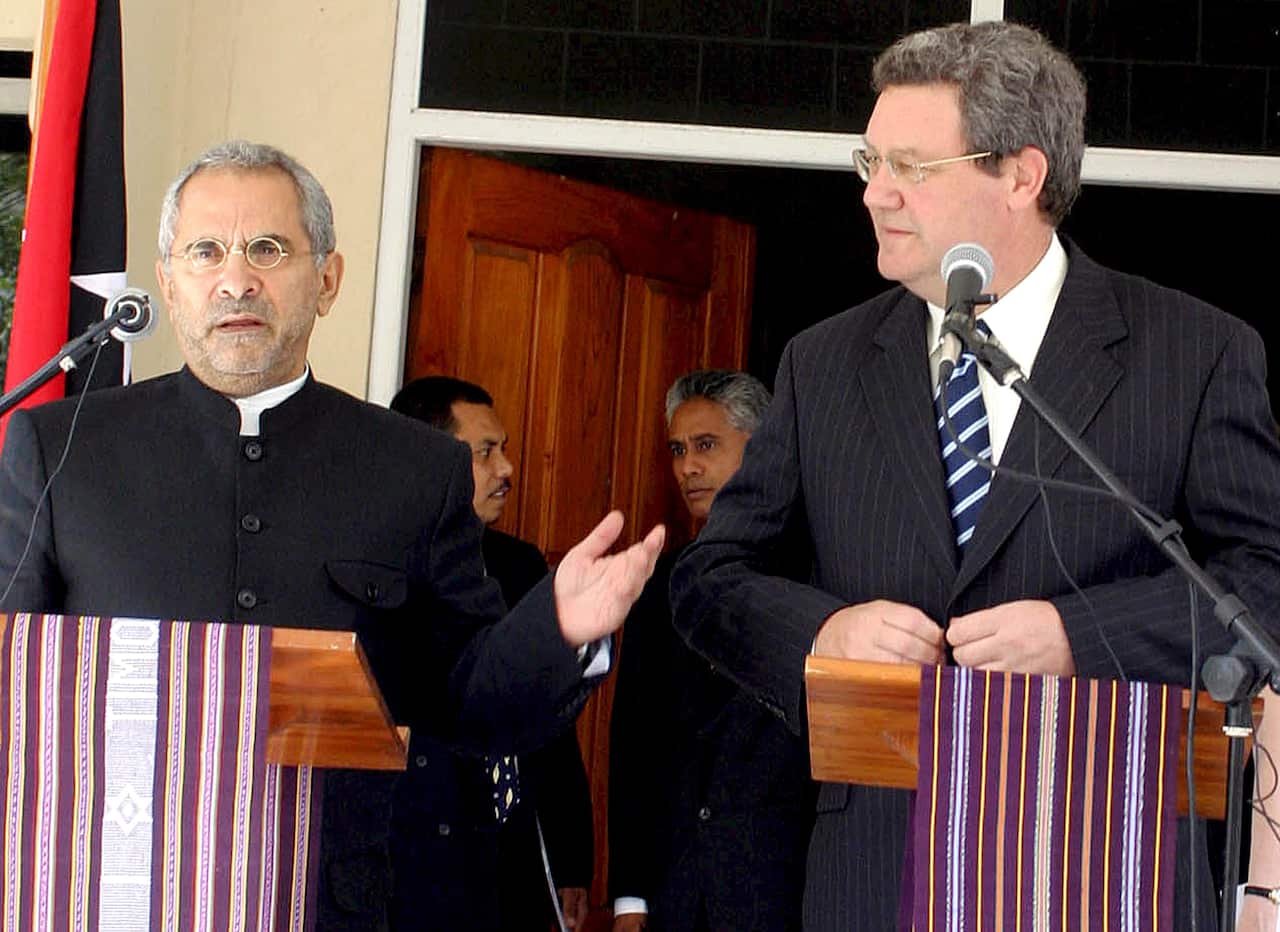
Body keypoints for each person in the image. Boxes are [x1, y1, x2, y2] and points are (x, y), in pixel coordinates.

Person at [669, 21, 1280, 931]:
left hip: (1109, 857)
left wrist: (1081, 634)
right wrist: (826, 629)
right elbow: (709, 582)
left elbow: (1262, 582)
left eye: (911, 167)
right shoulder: (825, 362)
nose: (876, 195)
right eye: (869, 162)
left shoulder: (1195, 353)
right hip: (879, 866)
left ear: (1021, 176)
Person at [0, 140, 663, 931]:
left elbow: (473, 706)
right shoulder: (59, 449)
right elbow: (17, 685)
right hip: (109, 897)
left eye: (268, 249)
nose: (235, 277)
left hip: (335, 905)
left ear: (328, 280)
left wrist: (556, 629)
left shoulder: (417, 469)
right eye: (206, 250)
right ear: (171, 283)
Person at [609, 370, 816, 931]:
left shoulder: (817, 574)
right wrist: (630, 897)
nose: (687, 467)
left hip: (783, 887)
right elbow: (634, 743)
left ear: (762, 446)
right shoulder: (665, 582)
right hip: (677, 889)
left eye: (706, 445)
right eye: (677, 449)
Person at [388, 375, 593, 930]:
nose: (505, 469)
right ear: (427, 457)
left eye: (503, 450)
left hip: (515, 857)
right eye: (485, 453)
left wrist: (572, 858)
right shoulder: (379, 568)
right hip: (412, 861)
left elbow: (550, 729)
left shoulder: (522, 567)